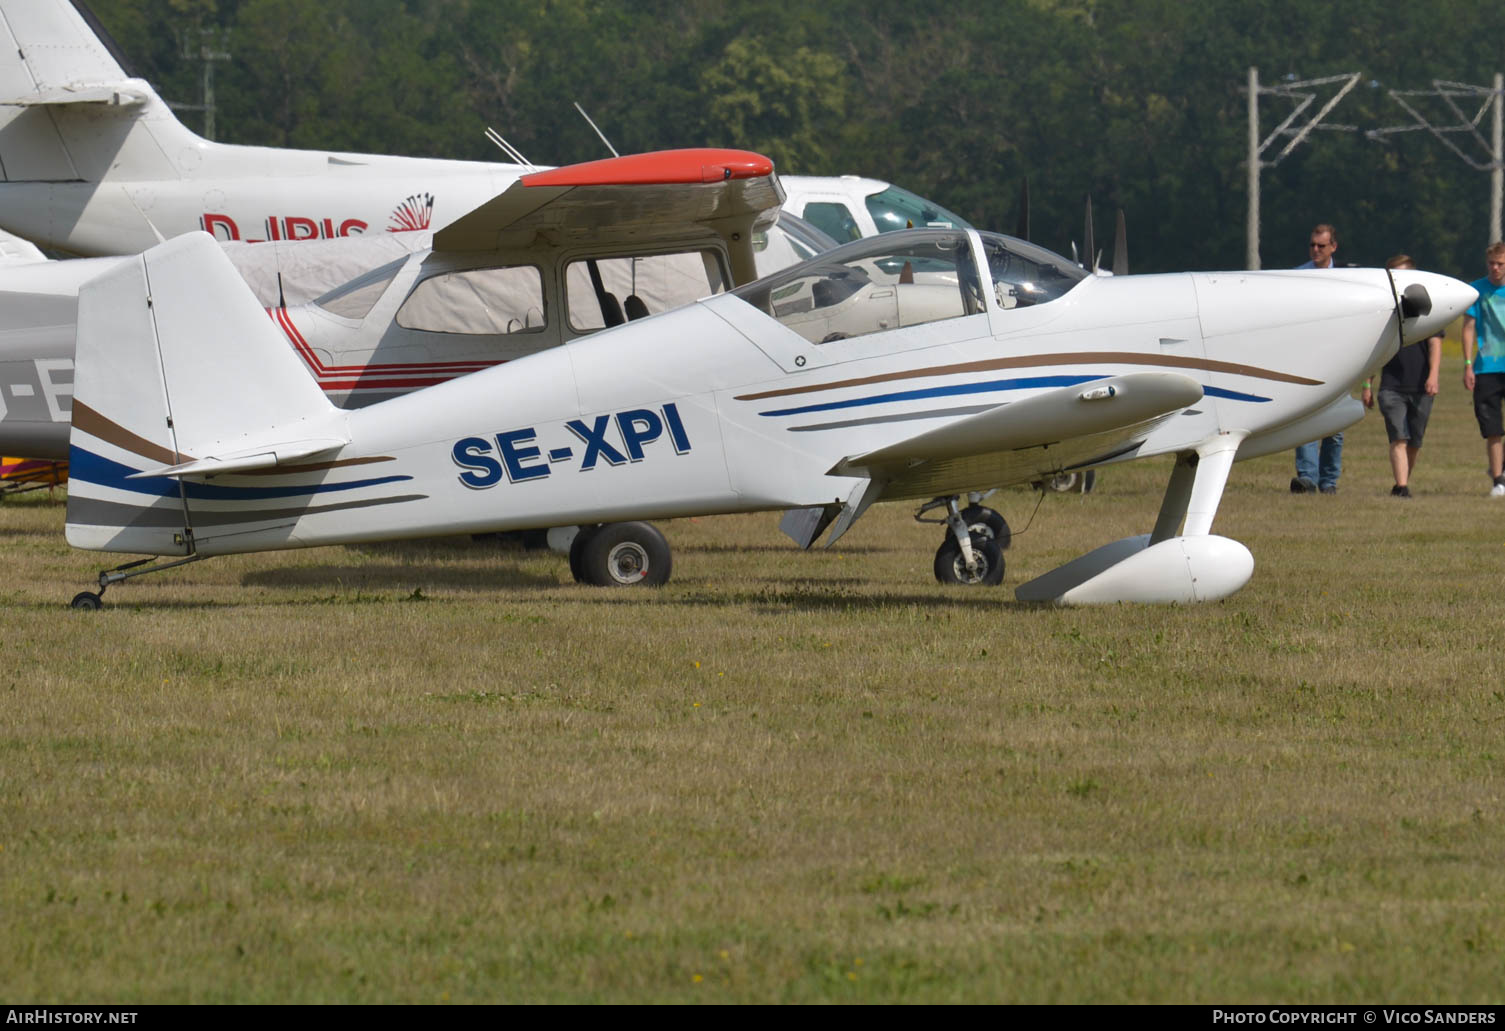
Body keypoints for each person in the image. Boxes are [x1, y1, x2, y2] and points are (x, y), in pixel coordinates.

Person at [1363, 255, 1441, 498]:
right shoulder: (1383, 313)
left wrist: (1434, 376)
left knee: (1415, 441)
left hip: (1421, 385)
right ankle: (1402, 486)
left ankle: (1402, 482)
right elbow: (1374, 352)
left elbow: (1435, 344)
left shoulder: (1428, 309)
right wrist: (1367, 384)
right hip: (1391, 387)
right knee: (1399, 436)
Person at [1291, 223, 1344, 494]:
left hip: (1338, 360)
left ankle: (1329, 482)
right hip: (1307, 358)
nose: (1315, 250)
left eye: (1321, 246)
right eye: (1312, 245)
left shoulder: (1346, 280)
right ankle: (1307, 478)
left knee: (1334, 425)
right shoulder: (1298, 278)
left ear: (1333, 247)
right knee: (1305, 419)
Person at [1462, 241, 1505, 496]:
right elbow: (1468, 328)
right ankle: (1498, 481)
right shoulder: (1476, 290)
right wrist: (1468, 364)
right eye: (1492, 263)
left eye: (1501, 264)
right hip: (1486, 367)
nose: (1495, 268)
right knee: (1492, 429)